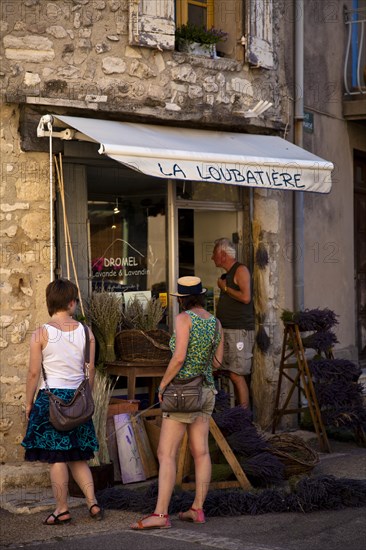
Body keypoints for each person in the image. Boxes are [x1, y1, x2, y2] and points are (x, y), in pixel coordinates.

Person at [130, 276, 223, 530]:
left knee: (165, 453)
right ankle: (197, 509)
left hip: (182, 392)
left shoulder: (184, 320)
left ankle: (160, 515)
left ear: (181, 299)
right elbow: (217, 363)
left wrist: (163, 385)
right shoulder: (215, 323)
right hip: (205, 391)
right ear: (201, 296)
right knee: (201, 452)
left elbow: (179, 356)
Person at [21, 278, 104, 525]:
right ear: (70, 303)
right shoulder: (86, 332)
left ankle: (62, 509)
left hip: (51, 400)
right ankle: (93, 503)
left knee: (57, 458)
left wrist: (28, 404)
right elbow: (90, 371)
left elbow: (33, 374)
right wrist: (85, 398)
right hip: (78, 398)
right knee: (77, 456)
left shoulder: (40, 334)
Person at [211, 237, 255, 409]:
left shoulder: (240, 270)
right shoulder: (227, 274)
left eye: (214, 254)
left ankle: (243, 418)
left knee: (237, 374)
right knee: (231, 373)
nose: (212, 258)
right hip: (228, 330)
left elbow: (246, 297)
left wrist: (225, 288)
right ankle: (236, 413)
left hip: (239, 331)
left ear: (222, 254)